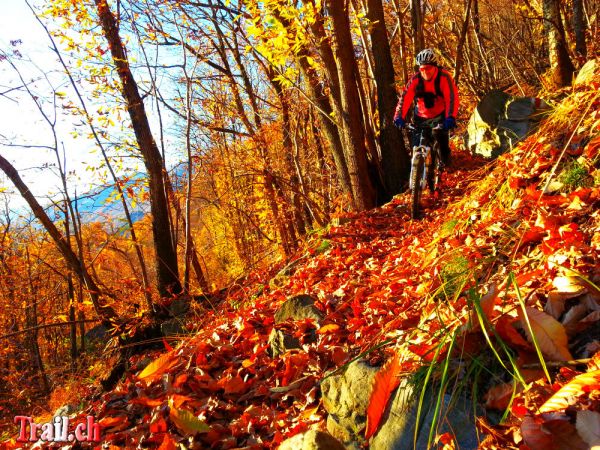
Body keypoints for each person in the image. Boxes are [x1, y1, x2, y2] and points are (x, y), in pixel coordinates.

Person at [393, 48, 459, 167]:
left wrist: (450, 117)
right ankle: (418, 174)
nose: (425, 72)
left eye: (428, 68)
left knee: (443, 147)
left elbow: (452, 98)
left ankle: (447, 169)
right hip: (421, 117)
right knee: (416, 147)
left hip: (440, 116)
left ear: (435, 67)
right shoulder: (415, 80)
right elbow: (405, 99)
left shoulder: (444, 77)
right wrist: (398, 117)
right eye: (422, 69)